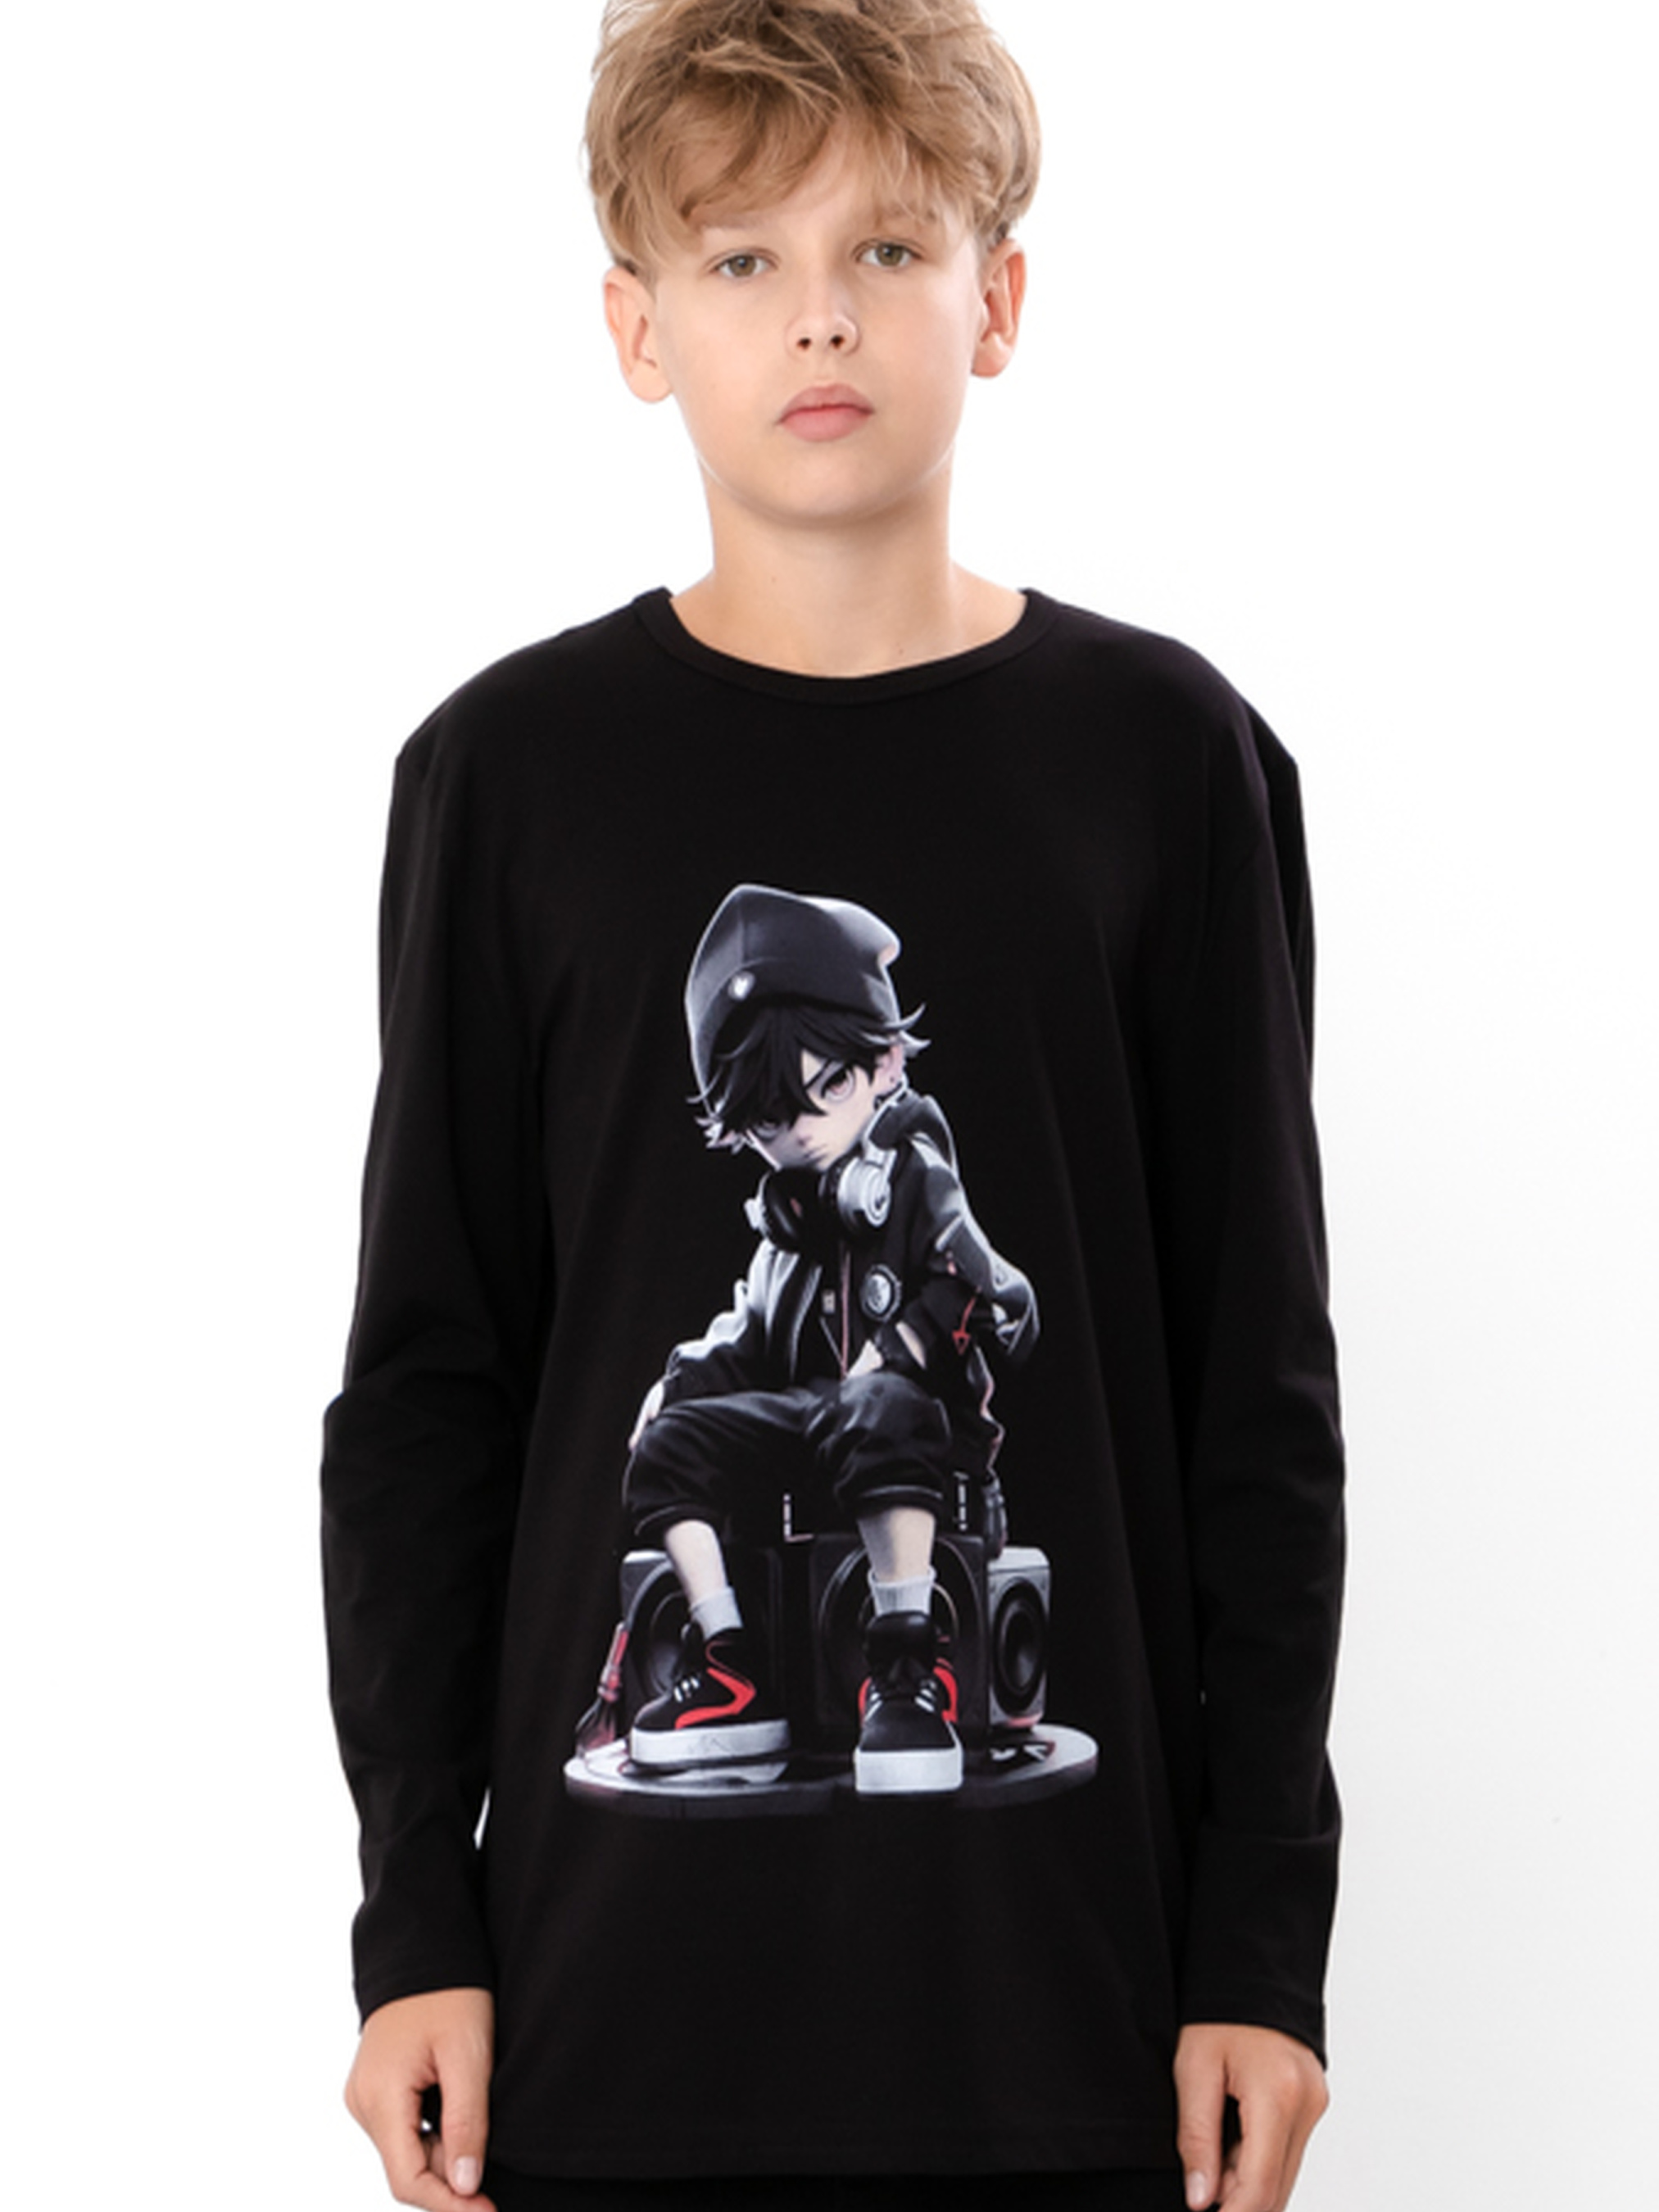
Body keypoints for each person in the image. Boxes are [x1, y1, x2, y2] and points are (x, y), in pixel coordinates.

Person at [324, 4, 1344, 2210]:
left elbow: (1254, 1390)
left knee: (887, 1417)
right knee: (685, 1427)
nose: (818, 315)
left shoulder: (1164, 763)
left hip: (1062, 1997)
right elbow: (431, 1389)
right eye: (739, 258)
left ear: (998, 298)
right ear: (637, 327)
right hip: (606, 2010)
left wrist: (1262, 1941)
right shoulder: (506, 779)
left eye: (887, 248)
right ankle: (711, 1659)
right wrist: (417, 1917)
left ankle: (906, 1645)